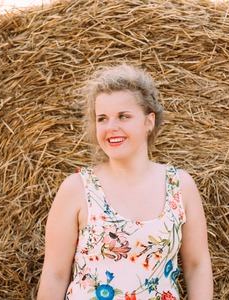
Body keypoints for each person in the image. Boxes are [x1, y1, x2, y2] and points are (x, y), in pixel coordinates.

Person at [37, 64, 213, 300]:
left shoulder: (180, 185)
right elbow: (54, 275)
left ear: (148, 122)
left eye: (123, 116)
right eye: (102, 118)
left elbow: (197, 265)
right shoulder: (77, 188)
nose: (111, 128)